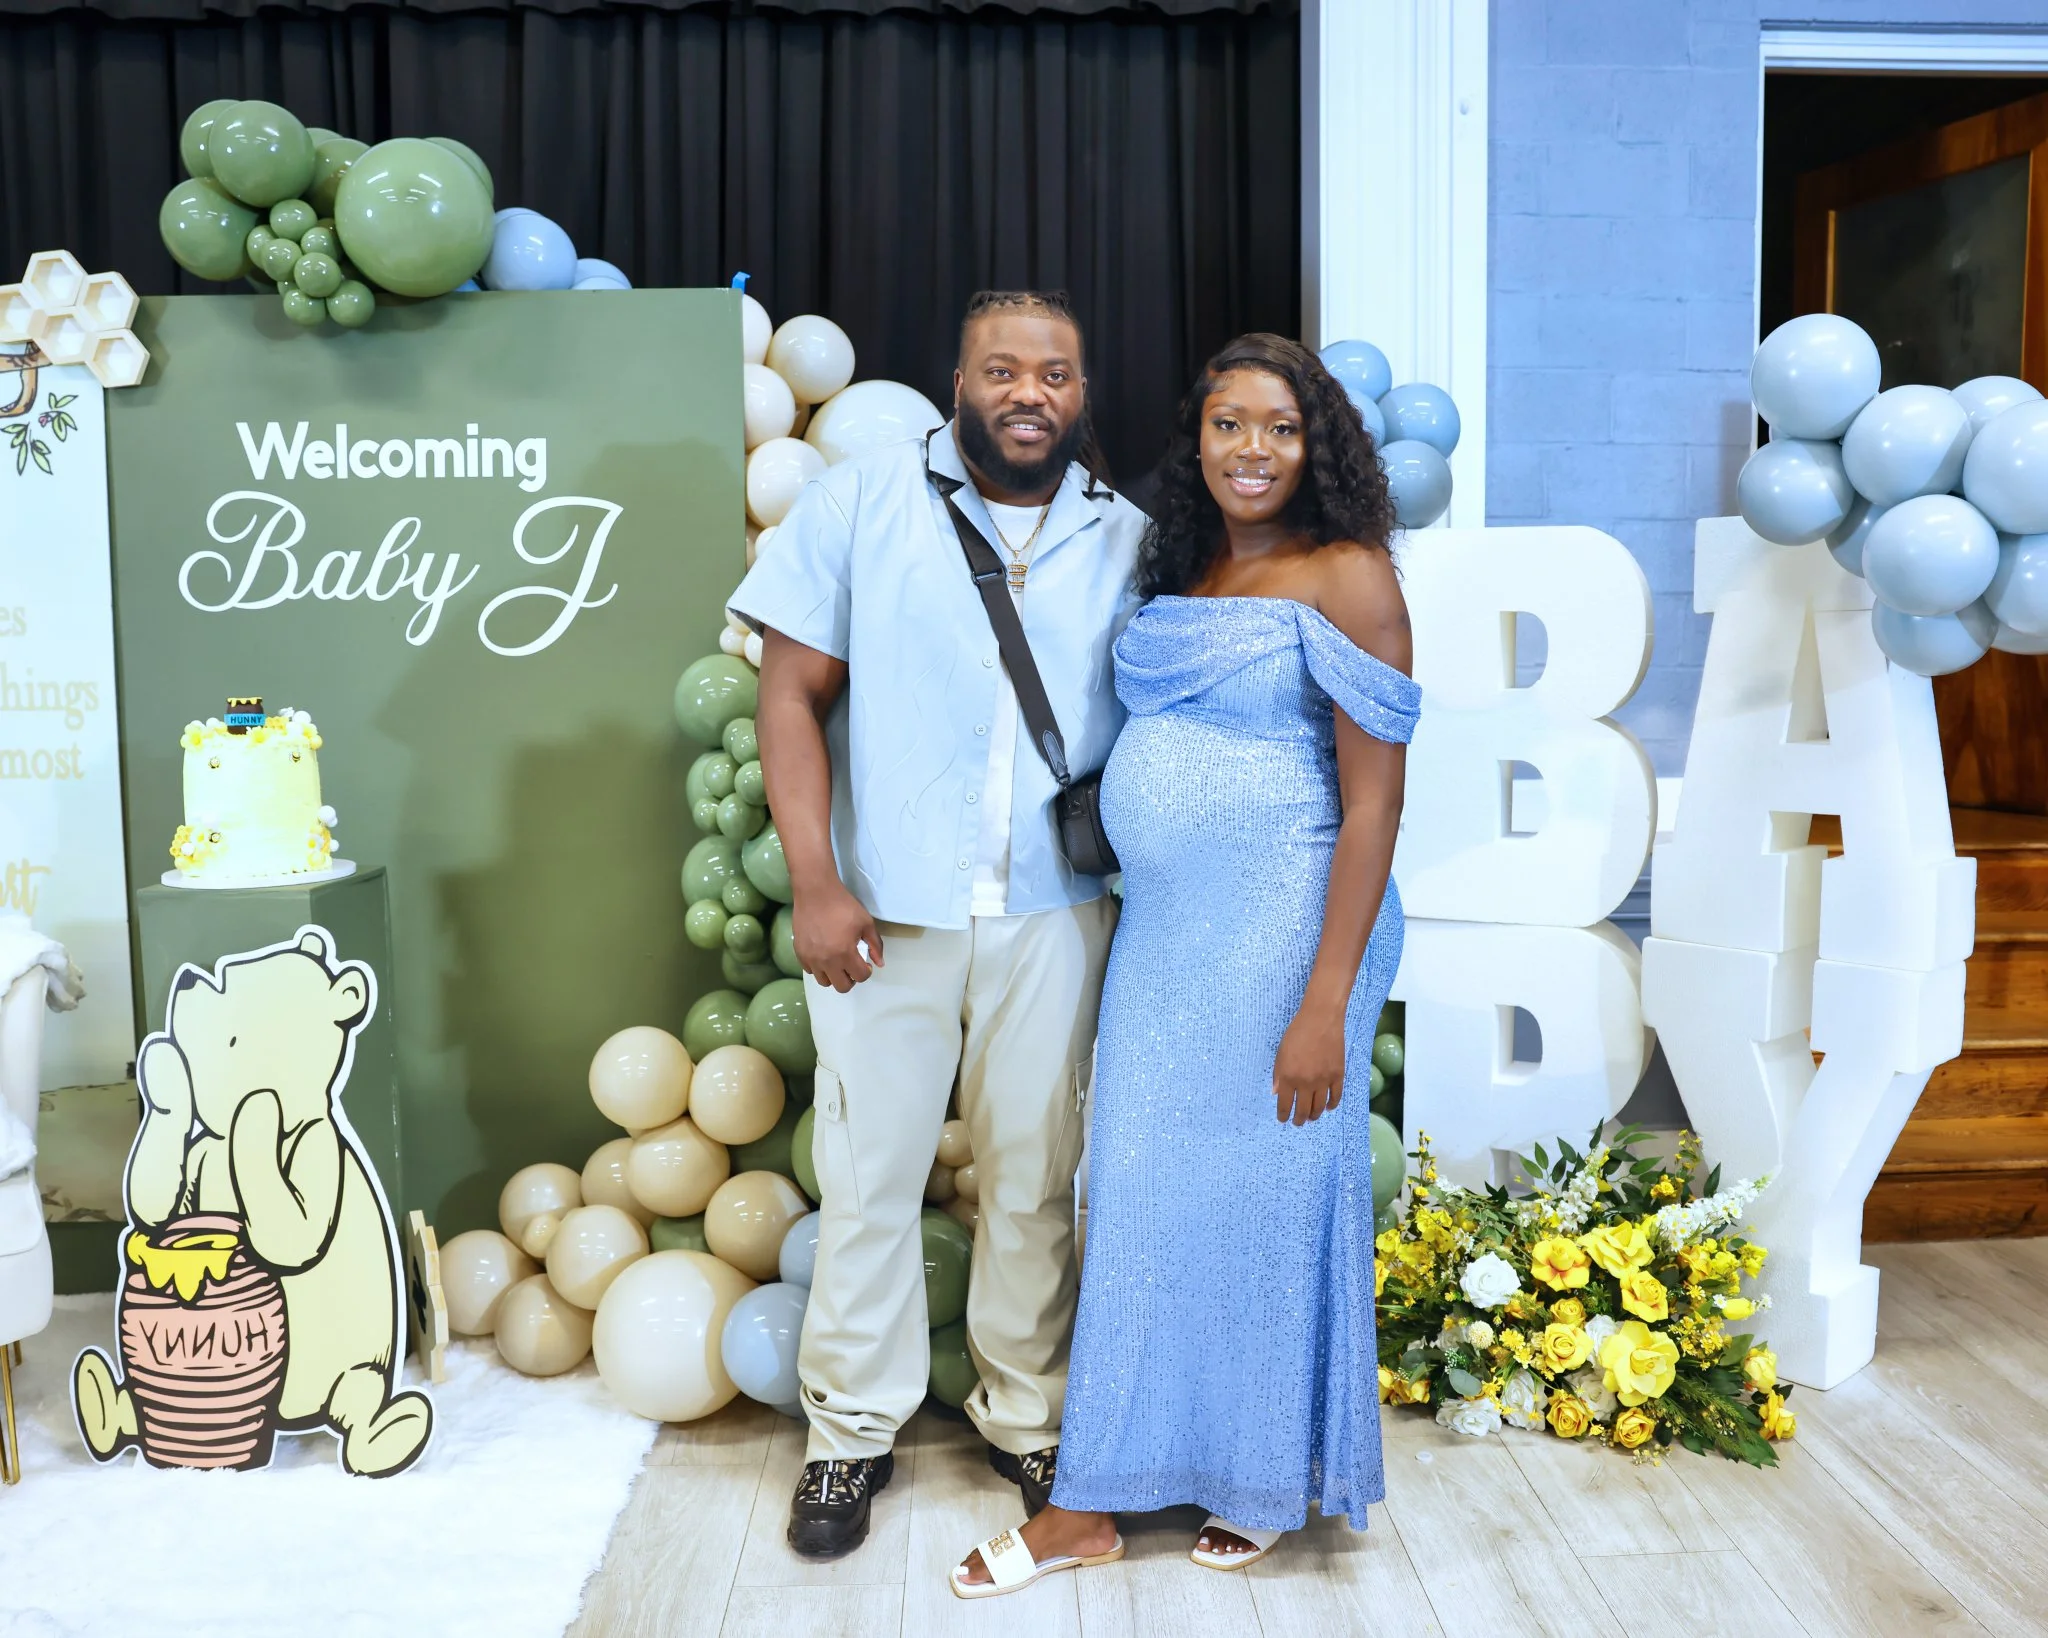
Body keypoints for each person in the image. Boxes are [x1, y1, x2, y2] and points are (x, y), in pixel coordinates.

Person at [952, 333, 1418, 1597]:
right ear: (1196, 438)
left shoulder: (1351, 575)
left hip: (1288, 930)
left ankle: (1250, 1477)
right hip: (1165, 935)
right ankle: (1102, 1495)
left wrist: (1325, 1005)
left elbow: (1373, 807)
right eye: (1227, 425)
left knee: (1263, 1203)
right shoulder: (1185, 560)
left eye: (1279, 427)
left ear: (1317, 444)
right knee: (1144, 1196)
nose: (1251, 450)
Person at [728, 290, 1148, 1560]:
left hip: (1055, 908)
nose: (1029, 393)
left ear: (1081, 393)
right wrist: (815, 882)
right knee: (868, 1182)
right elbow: (790, 697)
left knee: (1035, 1180)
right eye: (1002, 369)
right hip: (884, 907)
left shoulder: (1126, 536)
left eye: (1055, 374)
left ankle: (1026, 1417)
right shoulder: (859, 503)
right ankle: (849, 1434)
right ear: (958, 382)